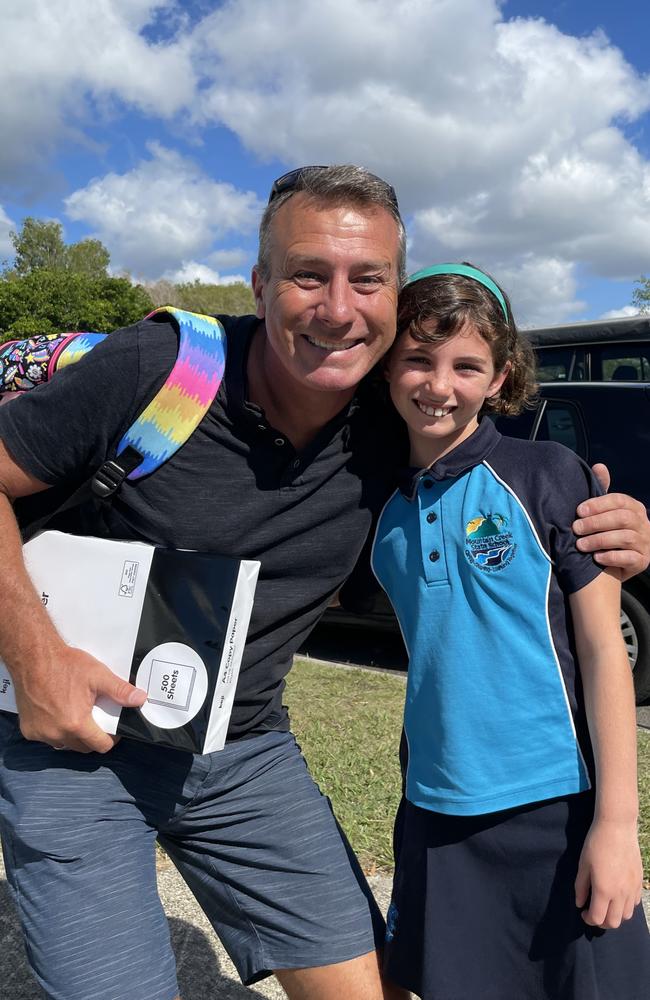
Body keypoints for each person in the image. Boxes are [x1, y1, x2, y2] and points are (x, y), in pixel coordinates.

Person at [0, 168, 647, 1000]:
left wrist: (616, 528)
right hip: (75, 746)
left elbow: (510, 490)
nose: (338, 308)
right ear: (261, 283)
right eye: (309, 274)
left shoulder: (394, 418)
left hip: (242, 751)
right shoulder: (161, 368)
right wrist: (35, 657)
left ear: (394, 296)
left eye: (367, 279)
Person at [370, 263, 650, 1000]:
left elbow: (601, 654)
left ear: (499, 378)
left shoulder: (547, 473)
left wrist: (618, 825)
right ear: (387, 365)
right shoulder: (376, 503)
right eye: (418, 359)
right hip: (433, 802)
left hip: (555, 805)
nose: (440, 384)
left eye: (467, 365)